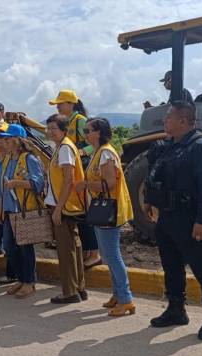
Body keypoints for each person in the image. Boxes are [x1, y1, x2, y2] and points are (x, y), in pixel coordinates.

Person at [144, 100, 202, 340]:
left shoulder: (201, 146)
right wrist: (150, 199)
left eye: (169, 117)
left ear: (183, 121)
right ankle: (176, 309)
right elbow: (156, 176)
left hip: (191, 218)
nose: (165, 120)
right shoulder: (169, 146)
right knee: (171, 266)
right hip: (168, 217)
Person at [75, 118, 136, 316]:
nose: (85, 133)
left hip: (109, 209)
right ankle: (118, 294)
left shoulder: (106, 153)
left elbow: (109, 183)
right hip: (103, 209)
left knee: (112, 256)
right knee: (109, 255)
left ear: (99, 132)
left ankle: (126, 299)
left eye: (88, 130)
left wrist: (86, 186)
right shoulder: (99, 152)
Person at [49, 89, 101, 270]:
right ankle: (88, 251)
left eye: (60, 103)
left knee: (85, 212)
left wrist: (80, 152)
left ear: (71, 104)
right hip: (76, 171)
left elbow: (95, 145)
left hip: (82, 171)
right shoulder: (68, 122)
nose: (58, 106)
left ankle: (94, 253)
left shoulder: (80, 122)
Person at [0, 124, 44, 298]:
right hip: (10, 210)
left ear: (18, 141)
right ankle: (21, 278)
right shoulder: (9, 159)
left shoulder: (29, 159)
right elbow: (4, 185)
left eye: (8, 138)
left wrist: (17, 184)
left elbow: (37, 184)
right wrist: (1, 207)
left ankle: (29, 282)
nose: (5, 142)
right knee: (9, 247)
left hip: (24, 210)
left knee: (25, 247)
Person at [44, 114, 86, 303]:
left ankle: (69, 292)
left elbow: (69, 179)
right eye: (48, 128)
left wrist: (58, 208)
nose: (50, 131)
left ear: (63, 129)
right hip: (67, 204)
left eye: (54, 128)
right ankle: (79, 288)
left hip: (64, 205)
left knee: (65, 249)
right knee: (73, 246)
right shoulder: (62, 147)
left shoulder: (64, 149)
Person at [0, 134, 17, 283]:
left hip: (11, 204)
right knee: (6, 241)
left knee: (11, 242)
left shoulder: (12, 158)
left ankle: (16, 275)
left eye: (3, 138)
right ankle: (13, 275)